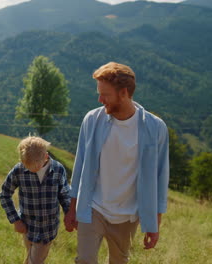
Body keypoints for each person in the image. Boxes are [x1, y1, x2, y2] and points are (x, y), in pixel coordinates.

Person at [64, 62, 169, 264]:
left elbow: (160, 178)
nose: (100, 99)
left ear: (124, 93)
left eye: (105, 95)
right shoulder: (92, 120)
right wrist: (72, 208)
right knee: (84, 260)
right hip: (92, 207)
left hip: (128, 215)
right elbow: (80, 166)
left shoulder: (156, 129)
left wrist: (154, 225)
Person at [0, 136, 71, 264]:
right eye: (28, 167)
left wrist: (69, 213)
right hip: (27, 226)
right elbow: (4, 194)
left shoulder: (58, 169)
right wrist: (16, 220)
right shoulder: (19, 170)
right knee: (31, 258)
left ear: (45, 156)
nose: (31, 170)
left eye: (36, 167)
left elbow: (65, 194)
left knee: (35, 261)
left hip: (47, 228)